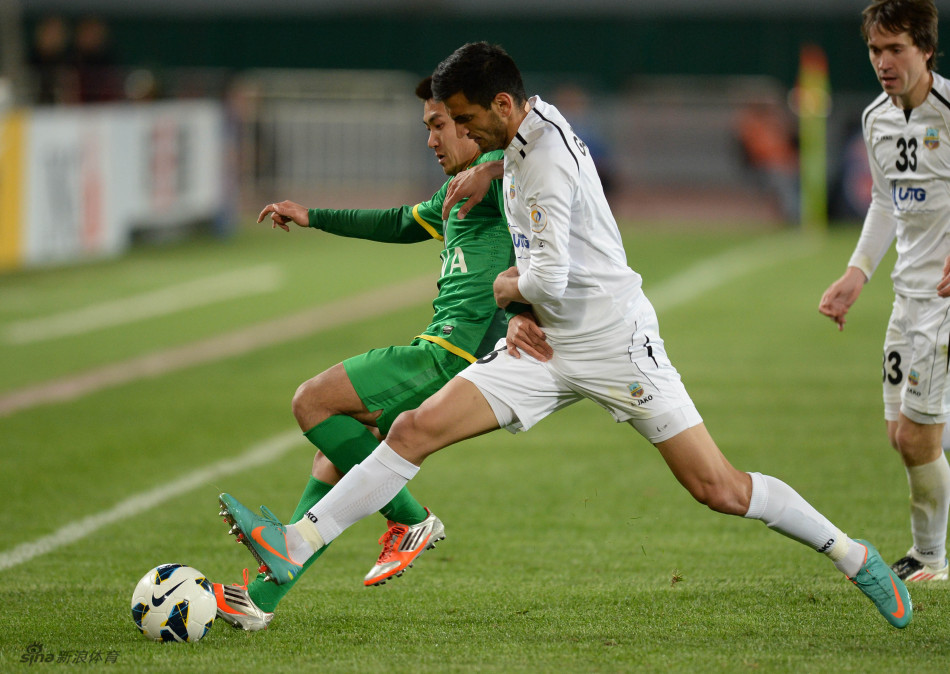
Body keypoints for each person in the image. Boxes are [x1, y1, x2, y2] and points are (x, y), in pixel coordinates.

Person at [219, 42, 913, 629]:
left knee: (720, 489)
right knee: (410, 431)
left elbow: (547, 282)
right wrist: (491, 167)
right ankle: (295, 544)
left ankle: (852, 554)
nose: (456, 134)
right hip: (541, 352)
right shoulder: (528, 122)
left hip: (612, 343)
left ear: (499, 109)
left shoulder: (542, 165)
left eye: (462, 121)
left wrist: (504, 292)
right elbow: (531, 153)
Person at [212, 76, 547, 631]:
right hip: (443, 348)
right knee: (337, 457)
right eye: (430, 128)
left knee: (313, 403)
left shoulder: (502, 176)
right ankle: (263, 601)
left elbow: (542, 162)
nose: (434, 138)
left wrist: (492, 167)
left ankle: (412, 522)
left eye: (442, 125)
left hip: (451, 356)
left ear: (471, 124)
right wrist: (313, 215)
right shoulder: (454, 190)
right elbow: (397, 222)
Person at [819, 0, 950, 584]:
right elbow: (884, 199)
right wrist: (857, 272)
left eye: (895, 49)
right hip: (907, 298)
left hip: (944, 304)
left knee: (919, 437)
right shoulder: (876, 118)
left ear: (925, 49)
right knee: (902, 435)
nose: (882, 61)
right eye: (875, 50)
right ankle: (928, 554)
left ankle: (931, 559)